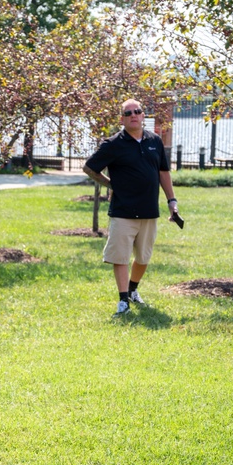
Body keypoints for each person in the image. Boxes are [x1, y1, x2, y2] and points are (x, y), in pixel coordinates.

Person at [83, 98, 179, 316]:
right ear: (122, 119)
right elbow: (89, 168)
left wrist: (171, 200)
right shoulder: (113, 144)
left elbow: (164, 172)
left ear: (144, 115)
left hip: (149, 211)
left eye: (137, 111)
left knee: (143, 258)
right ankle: (123, 300)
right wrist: (110, 184)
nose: (133, 115)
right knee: (120, 257)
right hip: (123, 211)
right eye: (128, 113)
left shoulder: (154, 140)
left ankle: (133, 290)